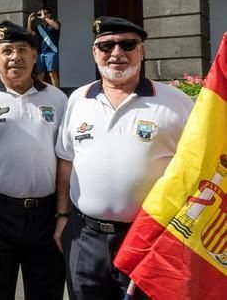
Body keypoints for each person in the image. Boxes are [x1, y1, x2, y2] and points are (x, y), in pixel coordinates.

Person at [54, 16, 193, 300]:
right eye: (106, 46)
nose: (116, 53)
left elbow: (195, 168)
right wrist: (62, 216)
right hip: (85, 236)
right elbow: (66, 161)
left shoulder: (176, 102)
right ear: (95, 53)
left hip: (149, 238)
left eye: (128, 44)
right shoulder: (78, 100)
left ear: (141, 51)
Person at [0, 21, 67, 300]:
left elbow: (67, 159)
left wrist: (65, 213)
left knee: (47, 292)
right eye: (7, 51)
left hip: (46, 214)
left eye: (22, 50)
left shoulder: (57, 99)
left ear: (35, 56)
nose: (15, 57)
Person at [27, 8, 60, 87]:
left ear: (49, 14)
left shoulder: (54, 23)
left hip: (52, 52)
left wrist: (45, 17)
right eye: (40, 14)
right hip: (41, 52)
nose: (42, 15)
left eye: (45, 13)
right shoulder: (39, 27)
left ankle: (57, 92)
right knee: (40, 74)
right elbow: (29, 33)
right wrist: (29, 21)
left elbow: (56, 27)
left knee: (52, 73)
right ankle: (39, 92)